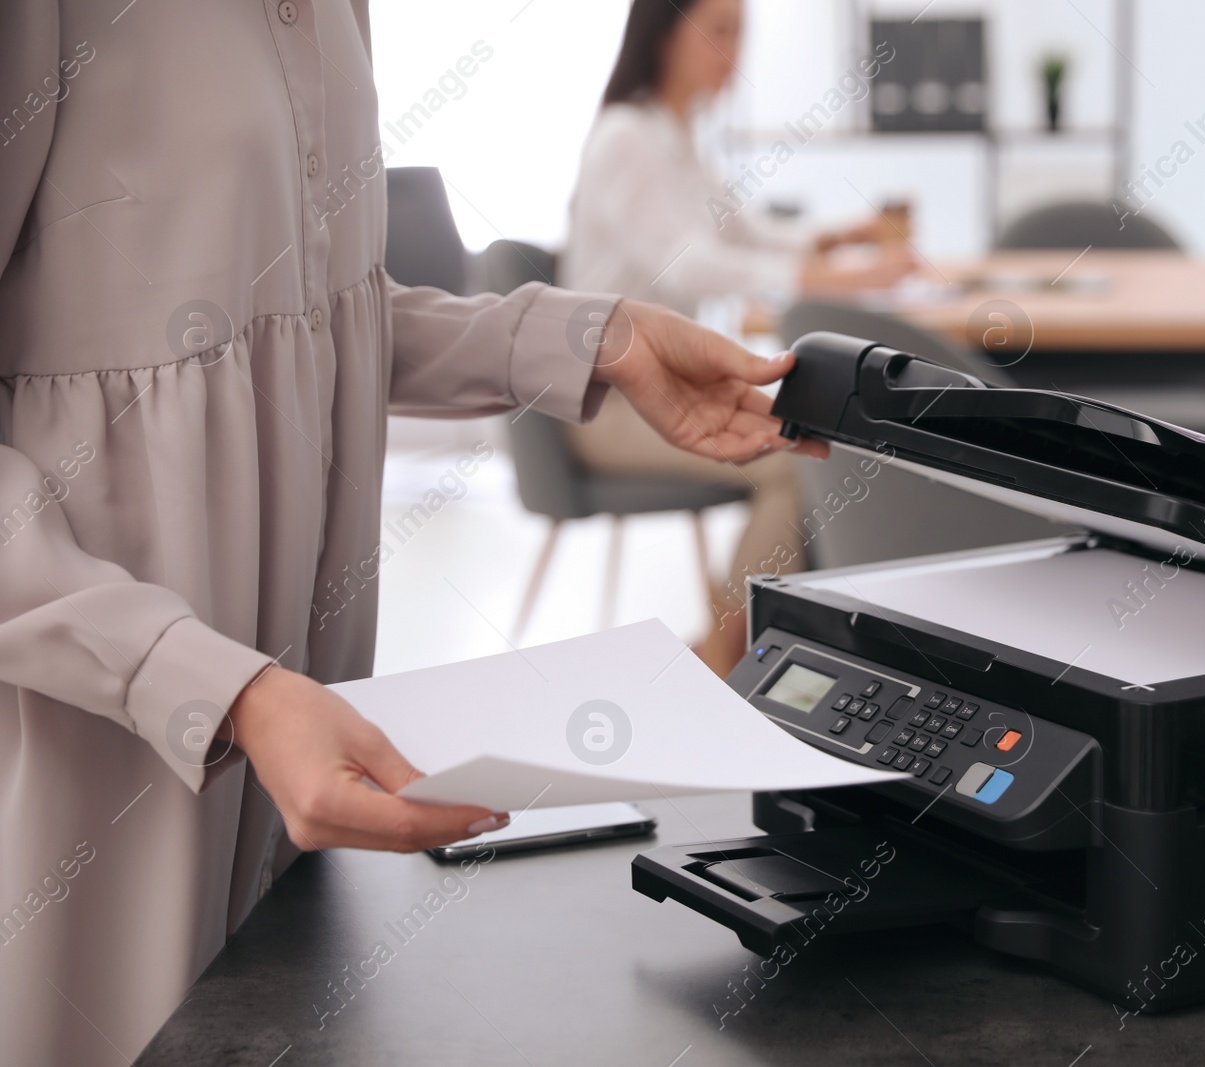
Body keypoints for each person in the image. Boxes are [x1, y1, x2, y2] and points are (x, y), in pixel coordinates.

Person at [0, 4, 822, 1064]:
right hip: (101, 737)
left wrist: (595, 336)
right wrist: (219, 684)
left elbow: (323, 318)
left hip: (307, 728)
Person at [562, 0, 917, 675]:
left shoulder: (676, 135)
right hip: (606, 407)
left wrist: (839, 238)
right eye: (718, 33)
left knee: (812, 448)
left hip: (657, 391)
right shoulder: (626, 139)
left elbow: (743, 232)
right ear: (664, 35)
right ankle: (736, 652)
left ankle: (739, 644)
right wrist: (834, 276)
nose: (733, 52)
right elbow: (692, 263)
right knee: (797, 463)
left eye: (739, 33)